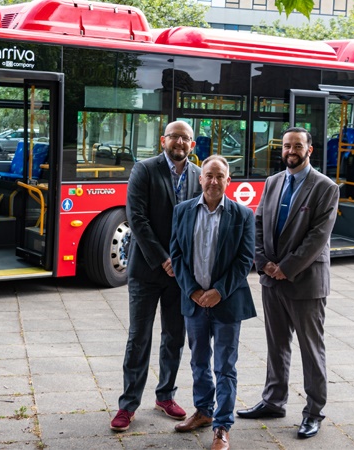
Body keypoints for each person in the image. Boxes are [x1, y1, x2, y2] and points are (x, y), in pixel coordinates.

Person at [236, 127, 339, 439]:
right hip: (272, 280)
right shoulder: (273, 182)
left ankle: (314, 412)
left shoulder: (325, 187)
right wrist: (263, 261)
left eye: (297, 146)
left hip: (305, 282)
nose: (291, 151)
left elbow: (318, 237)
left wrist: (287, 267)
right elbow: (257, 222)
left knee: (311, 349)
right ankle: (273, 400)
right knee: (276, 345)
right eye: (286, 146)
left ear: (309, 150)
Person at [110, 121, 203, 432]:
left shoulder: (196, 175)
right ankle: (128, 404)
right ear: (164, 140)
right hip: (147, 270)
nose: (179, 142)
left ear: (192, 144)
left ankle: (165, 395)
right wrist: (164, 259)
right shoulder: (144, 169)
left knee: (175, 338)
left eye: (185, 138)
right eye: (174, 136)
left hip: (181, 275)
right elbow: (136, 217)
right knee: (139, 337)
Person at [169, 155, 255, 450]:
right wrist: (192, 290)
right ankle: (204, 411)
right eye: (209, 175)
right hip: (193, 302)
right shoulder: (181, 211)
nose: (214, 181)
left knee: (225, 366)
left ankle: (221, 426)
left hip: (227, 303)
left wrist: (218, 290)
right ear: (200, 179)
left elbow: (245, 260)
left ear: (228, 181)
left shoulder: (243, 215)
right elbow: (176, 255)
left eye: (220, 176)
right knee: (198, 361)